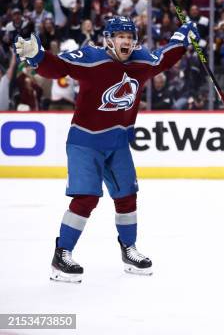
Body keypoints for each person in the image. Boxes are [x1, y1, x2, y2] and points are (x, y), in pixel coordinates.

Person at [14, 16, 200, 283]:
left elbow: (163, 59)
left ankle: (129, 250)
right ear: (108, 39)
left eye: (129, 36)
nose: (125, 41)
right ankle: (61, 255)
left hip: (118, 142)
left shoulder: (141, 61)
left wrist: (182, 38)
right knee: (87, 198)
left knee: (127, 196)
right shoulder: (91, 57)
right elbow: (58, 67)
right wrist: (38, 57)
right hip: (85, 141)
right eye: (120, 36)